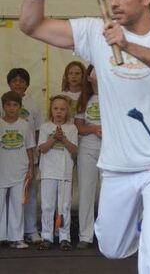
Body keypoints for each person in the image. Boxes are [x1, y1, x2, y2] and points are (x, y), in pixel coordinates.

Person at [20, 0, 150, 273]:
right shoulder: (94, 31)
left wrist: (128, 44)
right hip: (117, 164)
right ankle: (147, 229)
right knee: (111, 247)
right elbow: (31, 25)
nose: (113, 1)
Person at [5, 68, 44, 244]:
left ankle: (30, 230)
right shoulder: (3, 102)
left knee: (29, 195)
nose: (18, 83)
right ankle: (7, 232)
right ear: (9, 83)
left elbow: (38, 131)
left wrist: (35, 155)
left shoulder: (34, 104)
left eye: (22, 80)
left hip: (28, 156)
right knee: (7, 198)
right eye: (15, 80)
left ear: (27, 84)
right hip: (6, 159)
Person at [37, 95, 78, 251]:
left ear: (67, 111)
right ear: (51, 111)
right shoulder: (45, 127)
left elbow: (74, 149)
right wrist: (54, 138)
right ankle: (46, 236)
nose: (59, 112)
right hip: (48, 171)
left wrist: (64, 139)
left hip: (65, 172)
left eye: (62, 109)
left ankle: (64, 237)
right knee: (47, 205)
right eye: (56, 109)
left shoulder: (72, 128)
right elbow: (42, 148)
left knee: (64, 206)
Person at [0, 91, 35, 249]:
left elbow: (29, 148)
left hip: (20, 170)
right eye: (8, 105)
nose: (12, 108)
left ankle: (16, 238)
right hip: (2, 169)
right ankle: (2, 237)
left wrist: (31, 169)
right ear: (3, 107)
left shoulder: (25, 124)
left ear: (20, 107)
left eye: (15, 105)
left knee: (17, 205)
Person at [73, 65, 101, 249]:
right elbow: (78, 127)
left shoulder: (114, 94)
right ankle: (85, 235)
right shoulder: (84, 99)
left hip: (111, 150)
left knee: (109, 194)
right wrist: (93, 129)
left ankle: (107, 235)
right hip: (88, 149)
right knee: (86, 191)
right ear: (89, 77)